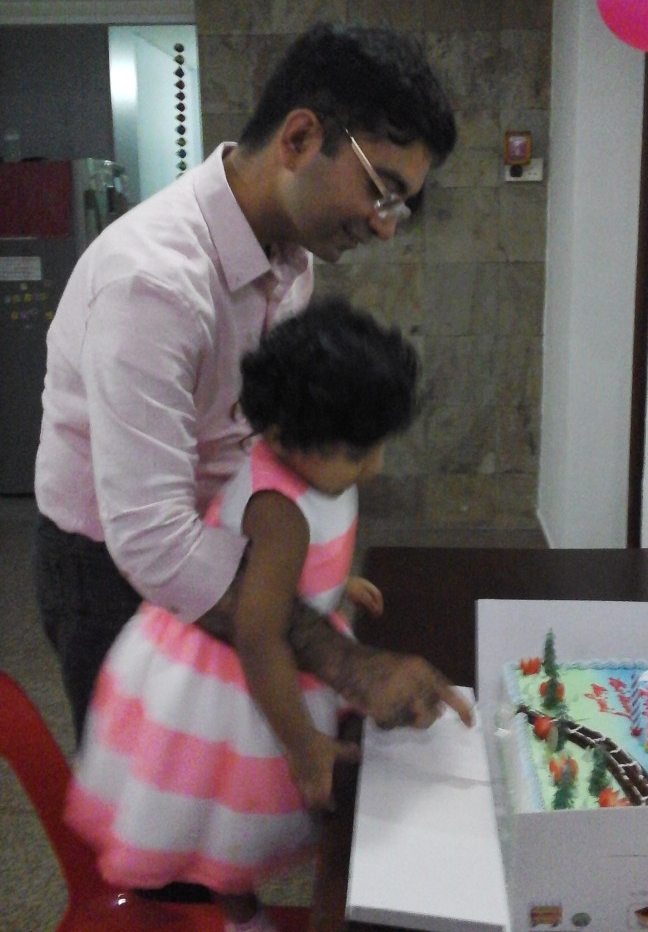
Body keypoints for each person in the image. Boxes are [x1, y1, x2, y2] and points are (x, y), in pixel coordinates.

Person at [33, 21, 469, 755]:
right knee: (160, 783)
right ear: (299, 138)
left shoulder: (292, 258)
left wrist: (303, 579)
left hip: (213, 530)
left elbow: (263, 437)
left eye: (399, 206)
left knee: (232, 750)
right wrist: (341, 659)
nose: (386, 227)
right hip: (107, 563)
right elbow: (151, 538)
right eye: (381, 191)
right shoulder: (154, 281)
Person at [66, 298, 464, 932]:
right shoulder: (280, 513)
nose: (374, 466)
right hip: (237, 676)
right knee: (224, 818)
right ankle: (242, 917)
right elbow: (259, 637)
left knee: (233, 822)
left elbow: (289, 571)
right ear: (281, 436)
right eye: (358, 452)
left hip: (271, 630)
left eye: (379, 446)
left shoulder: (315, 467)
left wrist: (333, 583)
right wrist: (302, 745)